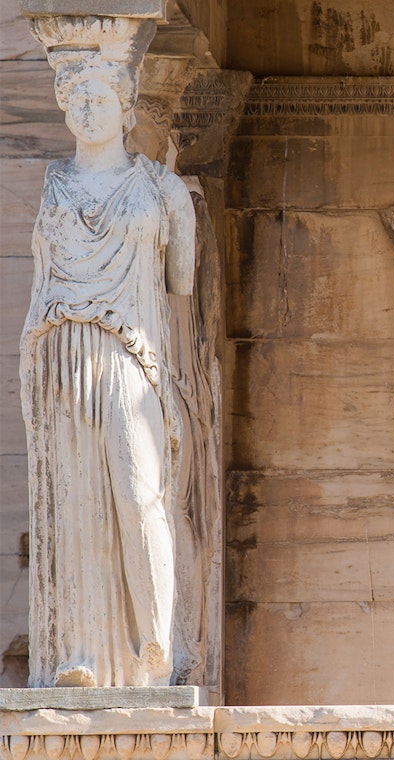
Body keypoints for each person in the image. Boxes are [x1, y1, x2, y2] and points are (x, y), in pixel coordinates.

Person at [21, 57, 195, 688]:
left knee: (138, 488)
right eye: (76, 99)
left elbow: (182, 283)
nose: (86, 110)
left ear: (127, 104)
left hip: (133, 351)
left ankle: (155, 650)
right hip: (62, 352)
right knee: (74, 498)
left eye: (98, 97)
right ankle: (84, 654)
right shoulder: (54, 183)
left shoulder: (164, 191)